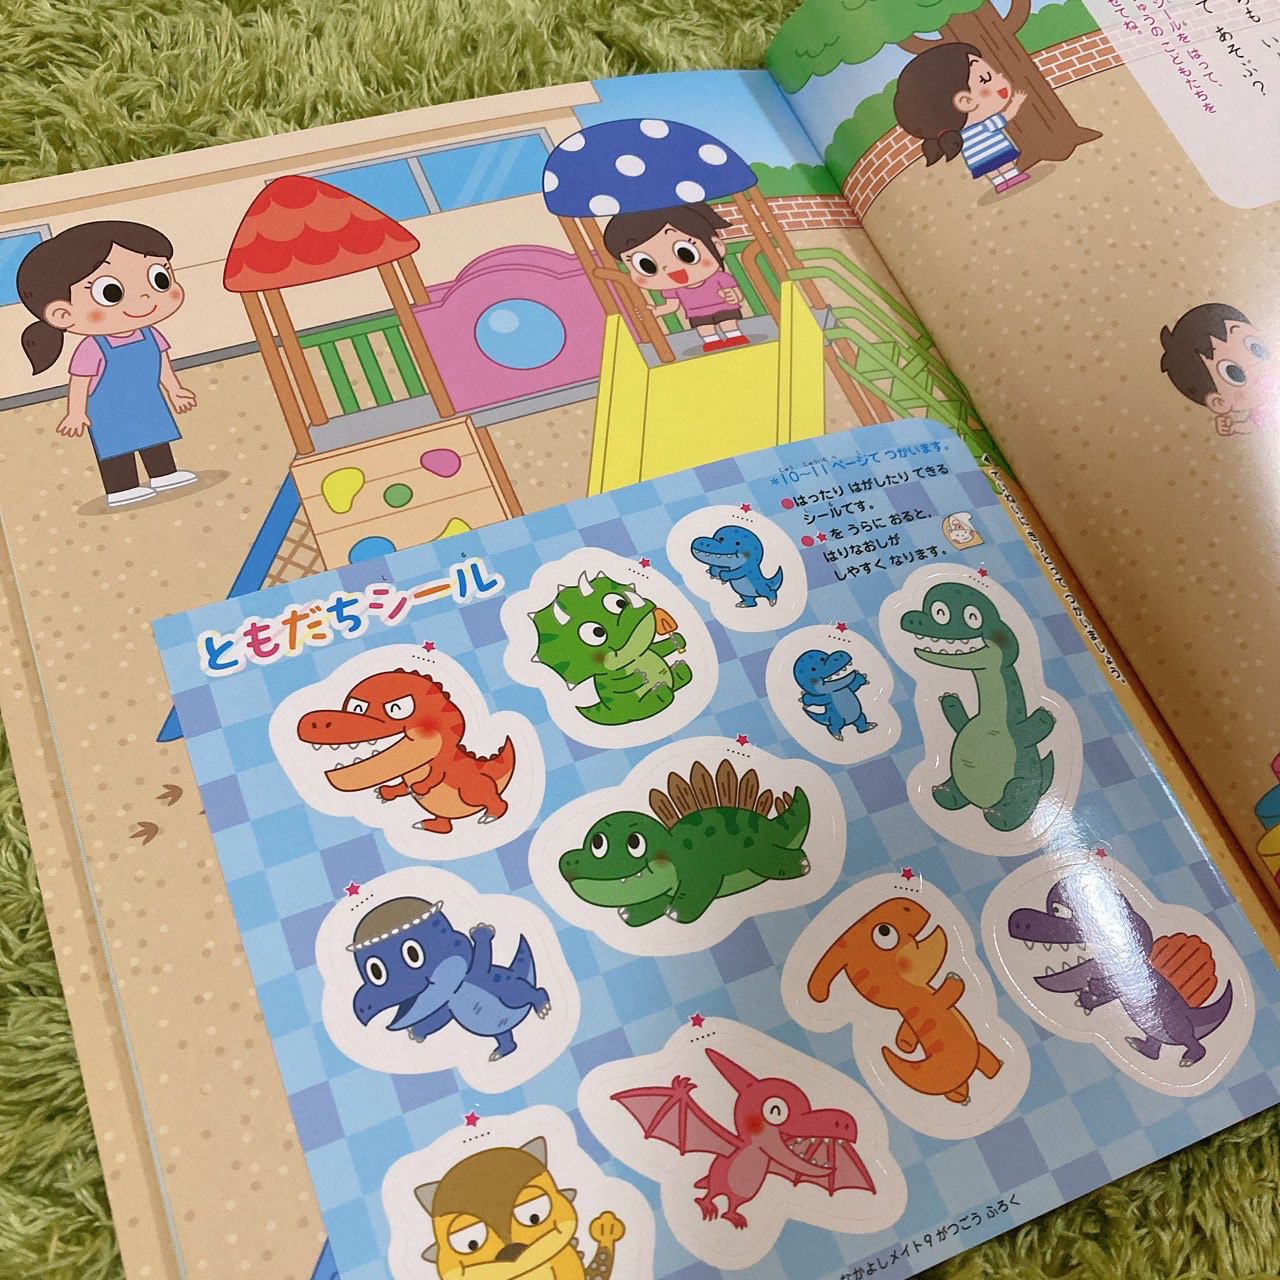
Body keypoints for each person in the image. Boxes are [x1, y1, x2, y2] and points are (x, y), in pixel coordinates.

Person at [18, 220, 198, 507]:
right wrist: (76, 412)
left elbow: (162, 361)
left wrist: (174, 390)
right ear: (63, 314)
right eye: (111, 292)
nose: (145, 296)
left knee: (155, 435)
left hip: (148, 400)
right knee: (116, 448)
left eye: (160, 278)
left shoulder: (151, 333)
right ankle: (121, 487)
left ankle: (164, 473)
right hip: (108, 410)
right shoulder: (92, 348)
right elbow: (80, 382)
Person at [603, 202, 747, 354]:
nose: (670, 269)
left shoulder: (719, 277)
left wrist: (733, 297)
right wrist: (657, 311)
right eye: (646, 266)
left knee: (728, 323)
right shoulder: (672, 290)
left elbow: (736, 294)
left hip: (724, 308)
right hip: (697, 314)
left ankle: (734, 336)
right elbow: (672, 305)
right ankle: (712, 341)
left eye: (686, 254)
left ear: (717, 246)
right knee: (705, 328)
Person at [893, 42, 1030, 195]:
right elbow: (1007, 116)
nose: (1000, 77)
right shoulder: (985, 125)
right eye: (986, 78)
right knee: (1005, 165)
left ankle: (999, 183)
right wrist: (1016, 102)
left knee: (991, 170)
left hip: (977, 159)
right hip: (997, 151)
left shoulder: (956, 137)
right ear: (966, 101)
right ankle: (1011, 177)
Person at [1159, 303, 1275, 436]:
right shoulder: (1262, 412)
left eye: (1257, 348)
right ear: (1219, 402)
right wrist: (1232, 428)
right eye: (1234, 374)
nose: (1256, 367)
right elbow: (1252, 425)